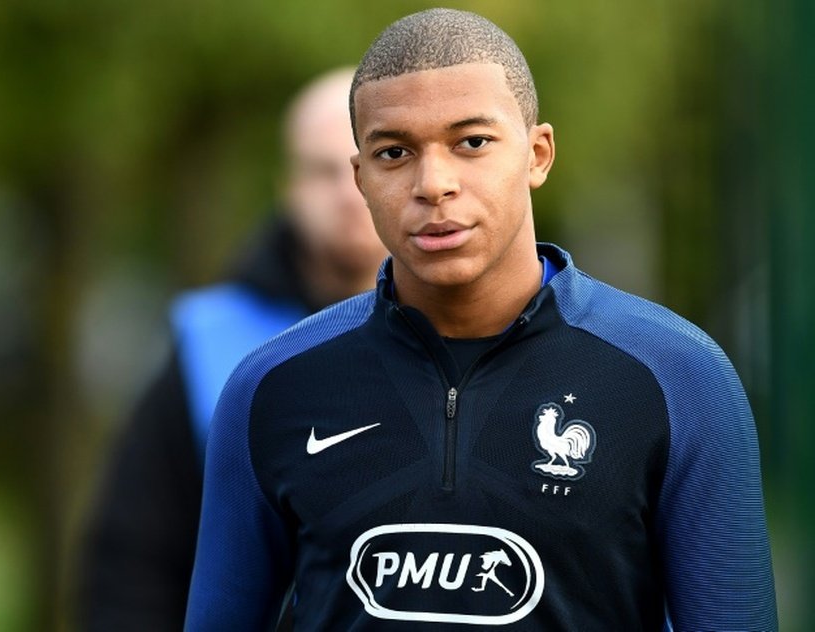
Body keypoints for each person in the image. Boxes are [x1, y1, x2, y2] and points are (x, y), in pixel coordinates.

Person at [184, 8, 778, 630]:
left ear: (538, 154)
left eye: (472, 142)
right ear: (360, 178)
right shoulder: (270, 387)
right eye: (394, 152)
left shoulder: (680, 376)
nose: (433, 184)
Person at [76, 67, 388, 631]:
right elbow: (135, 559)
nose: (350, 194)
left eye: (378, 159)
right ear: (287, 188)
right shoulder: (209, 344)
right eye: (324, 172)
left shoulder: (479, 336)